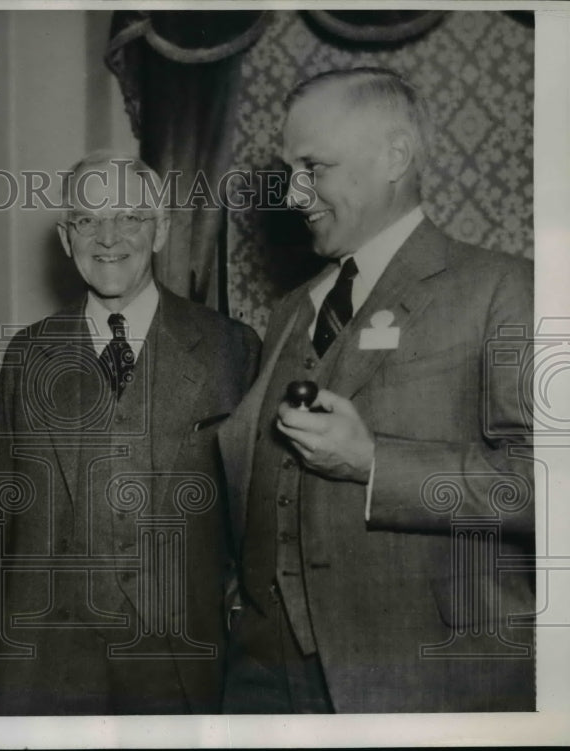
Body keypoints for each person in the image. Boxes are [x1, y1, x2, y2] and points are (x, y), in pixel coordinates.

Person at [219, 68, 534, 713]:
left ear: (395, 156)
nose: (295, 192)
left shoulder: (503, 289)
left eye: (314, 166)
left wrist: (374, 464)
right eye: (288, 170)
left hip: (421, 682)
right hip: (264, 680)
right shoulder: (290, 311)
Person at [0, 153, 261, 714]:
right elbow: (7, 512)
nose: (107, 238)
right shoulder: (26, 356)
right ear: (66, 238)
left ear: (159, 231)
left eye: (130, 217)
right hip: (52, 662)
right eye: (87, 220)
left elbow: (254, 514)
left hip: (182, 657)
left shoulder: (232, 348)